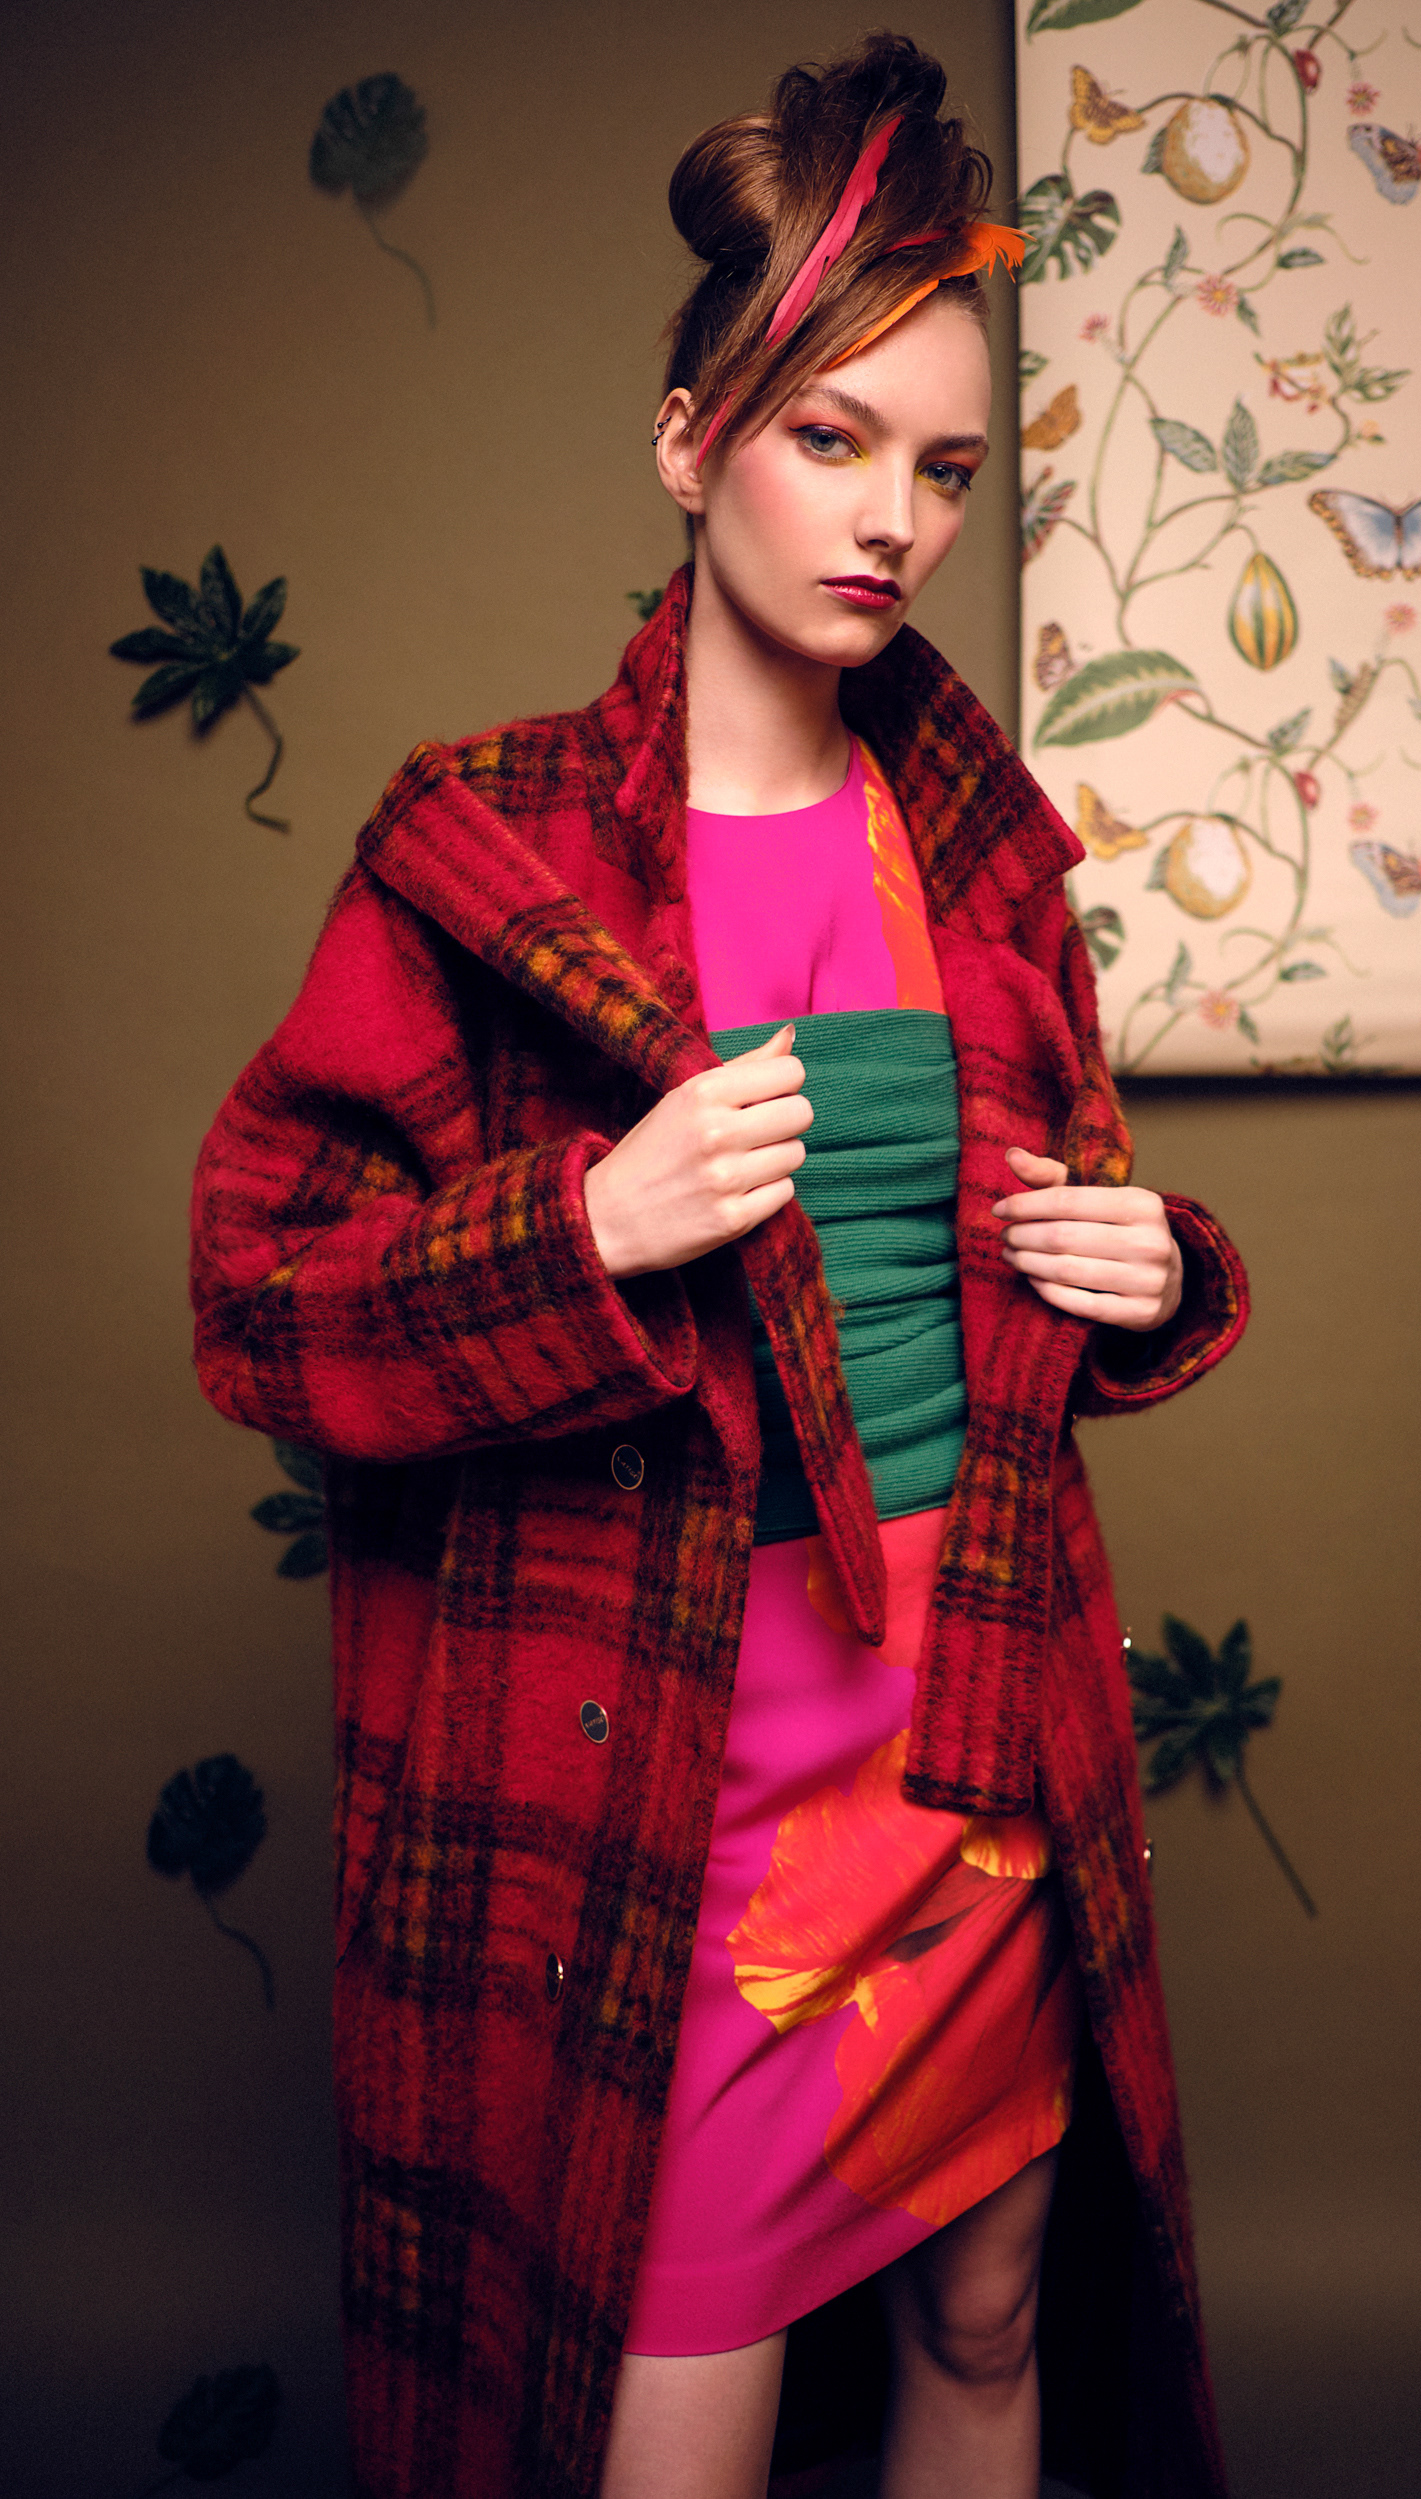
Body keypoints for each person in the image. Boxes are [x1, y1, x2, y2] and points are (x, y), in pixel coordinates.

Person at [190, 34, 1247, 2499]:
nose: (892, 518)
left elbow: (1017, 1264)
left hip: (966, 1740)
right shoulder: (486, 847)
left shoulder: (982, 854)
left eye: (945, 468)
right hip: (657, 1787)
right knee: (658, 2410)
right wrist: (582, 1226)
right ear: (687, 442)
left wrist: (1150, 1268)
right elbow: (257, 1301)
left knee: (987, 2317)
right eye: (827, 435)